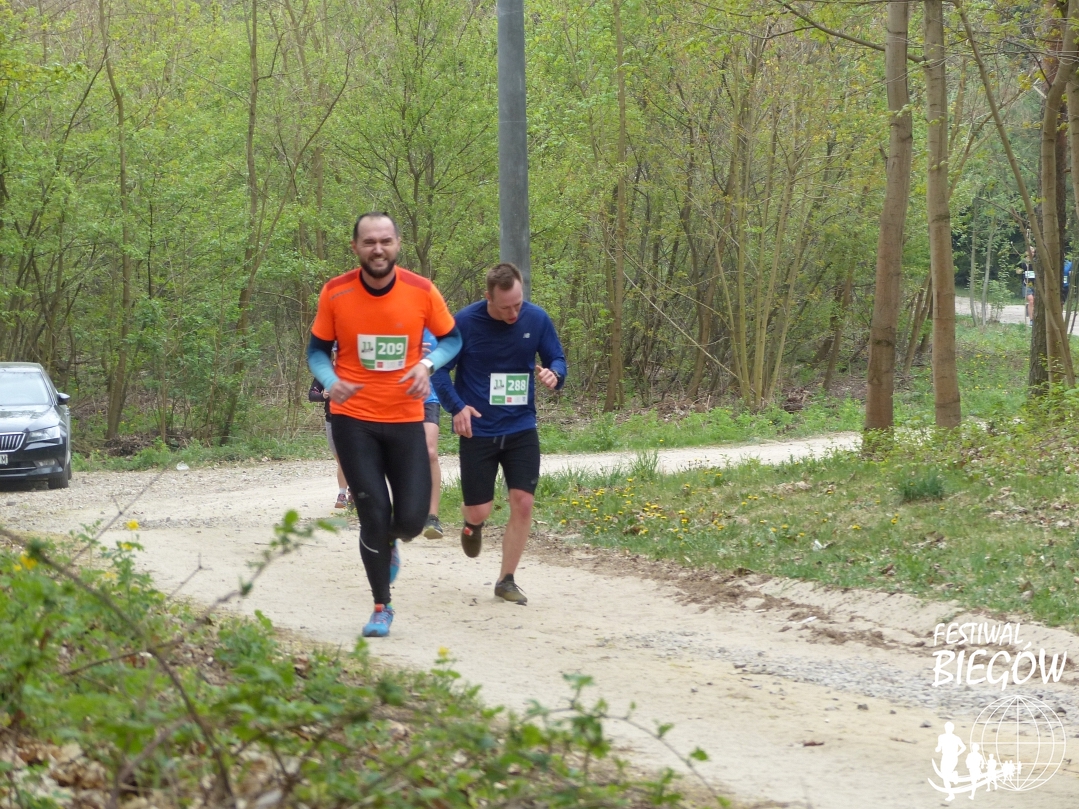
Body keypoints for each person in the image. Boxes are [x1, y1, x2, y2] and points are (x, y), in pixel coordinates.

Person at [307, 212, 461, 638]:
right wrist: (331, 381)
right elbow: (316, 351)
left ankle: (390, 539)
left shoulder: (422, 290)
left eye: (386, 241)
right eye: (369, 242)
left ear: (398, 244)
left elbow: (452, 339)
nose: (378, 249)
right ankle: (381, 605)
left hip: (406, 417)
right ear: (356, 247)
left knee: (411, 520)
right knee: (373, 512)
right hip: (353, 419)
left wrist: (427, 365)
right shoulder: (336, 292)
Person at [432, 262, 566, 605]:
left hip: (521, 426)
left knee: (523, 502)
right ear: (488, 297)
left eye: (518, 304)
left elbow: (557, 358)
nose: (513, 313)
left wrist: (555, 374)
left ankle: (506, 579)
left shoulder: (536, 319)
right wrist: (457, 407)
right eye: (506, 307)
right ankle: (471, 524)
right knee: (480, 510)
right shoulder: (464, 323)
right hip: (479, 429)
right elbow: (439, 371)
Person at [307, 342, 351, 510]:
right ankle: (349, 490)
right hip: (331, 419)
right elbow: (312, 394)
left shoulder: (352, 372)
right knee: (340, 458)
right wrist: (323, 395)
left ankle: (344, 494)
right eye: (336, 352)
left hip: (351, 419)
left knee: (346, 458)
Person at [421, 328, 445, 539]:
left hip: (429, 398)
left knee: (430, 453)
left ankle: (432, 517)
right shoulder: (393, 323)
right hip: (398, 399)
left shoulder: (437, 327)